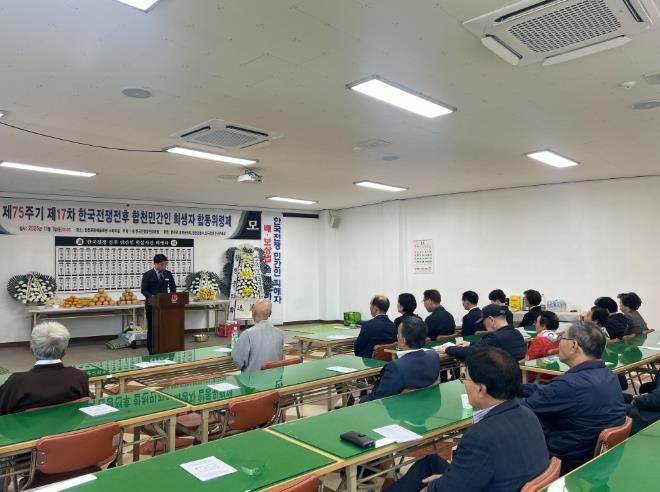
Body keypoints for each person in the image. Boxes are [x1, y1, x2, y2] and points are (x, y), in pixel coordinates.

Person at [388, 348, 549, 492]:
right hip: (504, 482)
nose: (463, 383)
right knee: (430, 463)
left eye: (465, 377)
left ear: (480, 389)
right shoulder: (529, 414)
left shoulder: (480, 437)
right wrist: (447, 480)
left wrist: (433, 487)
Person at [520, 321, 626, 474]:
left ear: (574, 345)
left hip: (563, 460)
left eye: (561, 338)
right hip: (593, 457)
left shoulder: (569, 385)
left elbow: (523, 411)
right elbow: (551, 392)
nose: (558, 343)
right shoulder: (609, 375)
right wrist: (520, 388)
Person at [0, 322, 89, 415]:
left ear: (31, 348)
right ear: (65, 351)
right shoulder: (79, 377)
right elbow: (81, 409)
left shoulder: (16, 383)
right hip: (69, 424)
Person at [361, 317, 440, 402]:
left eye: (398, 333)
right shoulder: (434, 356)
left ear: (404, 340)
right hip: (428, 405)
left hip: (402, 409)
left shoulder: (395, 367)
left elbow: (379, 398)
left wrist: (361, 400)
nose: (397, 336)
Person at [439, 304, 526, 361]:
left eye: (484, 321)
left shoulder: (495, 337)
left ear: (491, 319)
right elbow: (489, 345)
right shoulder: (517, 334)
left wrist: (447, 348)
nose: (484, 325)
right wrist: (470, 343)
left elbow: (470, 353)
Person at [231, 299, 283, 372]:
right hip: (275, 377)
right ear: (270, 313)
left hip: (251, 378)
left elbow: (238, 362)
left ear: (253, 312)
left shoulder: (247, 334)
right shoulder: (279, 333)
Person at [141, 253, 177, 354]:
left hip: (165, 307)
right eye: (162, 264)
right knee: (152, 329)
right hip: (151, 307)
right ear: (155, 264)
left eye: (165, 264)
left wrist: (170, 298)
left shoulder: (168, 274)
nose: (164, 266)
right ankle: (151, 351)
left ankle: (165, 348)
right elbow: (144, 290)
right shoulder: (147, 275)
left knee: (165, 328)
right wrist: (153, 297)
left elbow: (173, 288)